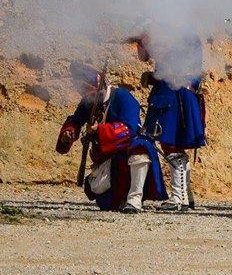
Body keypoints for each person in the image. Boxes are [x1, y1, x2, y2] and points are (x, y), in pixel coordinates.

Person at [55, 61, 166, 213]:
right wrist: (69, 133)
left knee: (141, 147)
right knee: (107, 203)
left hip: (126, 151)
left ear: (100, 85)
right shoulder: (88, 101)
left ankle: (135, 199)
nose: (88, 96)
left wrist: (99, 130)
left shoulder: (122, 97)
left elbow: (130, 129)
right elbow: (75, 120)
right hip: (105, 158)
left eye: (91, 91)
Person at [133, 33, 206, 212]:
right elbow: (144, 57)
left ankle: (177, 197)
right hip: (168, 91)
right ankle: (184, 196)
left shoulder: (184, 34)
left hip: (177, 91)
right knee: (172, 145)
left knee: (172, 145)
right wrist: (141, 41)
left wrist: (147, 38)